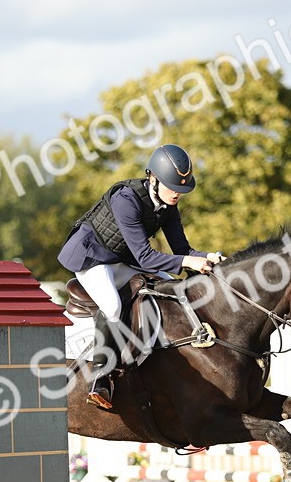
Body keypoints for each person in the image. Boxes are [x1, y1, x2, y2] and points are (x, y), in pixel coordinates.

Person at [57, 143, 224, 409]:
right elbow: (147, 257)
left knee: (169, 287)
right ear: (153, 179)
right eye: (172, 187)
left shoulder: (169, 206)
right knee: (112, 305)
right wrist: (188, 260)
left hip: (121, 259)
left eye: (182, 189)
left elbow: (182, 251)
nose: (177, 194)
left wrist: (207, 258)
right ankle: (100, 378)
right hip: (91, 257)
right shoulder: (126, 198)